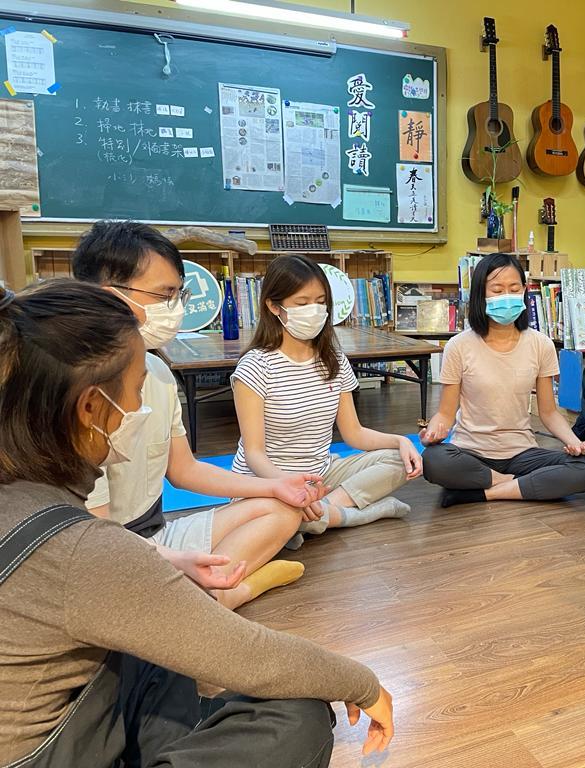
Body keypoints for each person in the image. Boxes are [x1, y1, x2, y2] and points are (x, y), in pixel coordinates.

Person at [0, 280, 394, 767]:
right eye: (137, 391)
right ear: (90, 407)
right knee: (298, 717)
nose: (141, 409)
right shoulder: (82, 546)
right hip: (51, 748)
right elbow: (251, 656)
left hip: (81, 705)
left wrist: (165, 563)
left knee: (163, 652)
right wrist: (365, 684)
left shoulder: (31, 499)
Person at [73, 221, 324, 611]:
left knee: (283, 509)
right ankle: (232, 591)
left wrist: (275, 487)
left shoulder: (156, 373)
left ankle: (205, 594)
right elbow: (97, 539)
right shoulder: (81, 398)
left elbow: (185, 471)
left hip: (158, 533)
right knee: (135, 605)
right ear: (112, 297)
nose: (176, 308)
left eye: (179, 294)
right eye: (165, 294)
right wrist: (175, 562)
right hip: (108, 550)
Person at [232, 253, 420, 544]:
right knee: (264, 512)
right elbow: (254, 454)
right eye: (302, 303)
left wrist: (401, 441)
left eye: (321, 302)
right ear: (273, 306)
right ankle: (352, 515)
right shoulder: (255, 367)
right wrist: (288, 488)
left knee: (399, 461)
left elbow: (354, 434)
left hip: (321, 475)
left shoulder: (334, 361)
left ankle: (318, 515)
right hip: (268, 480)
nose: (315, 310)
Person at [419, 252, 585, 506]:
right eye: (497, 289)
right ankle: (514, 484)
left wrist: (574, 443)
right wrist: (433, 432)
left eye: (514, 289)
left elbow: (549, 413)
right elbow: (445, 414)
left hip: (522, 452)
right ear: (481, 294)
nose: (507, 296)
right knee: (434, 461)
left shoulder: (540, 344)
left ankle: (484, 492)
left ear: (524, 291)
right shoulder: (459, 346)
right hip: (470, 451)